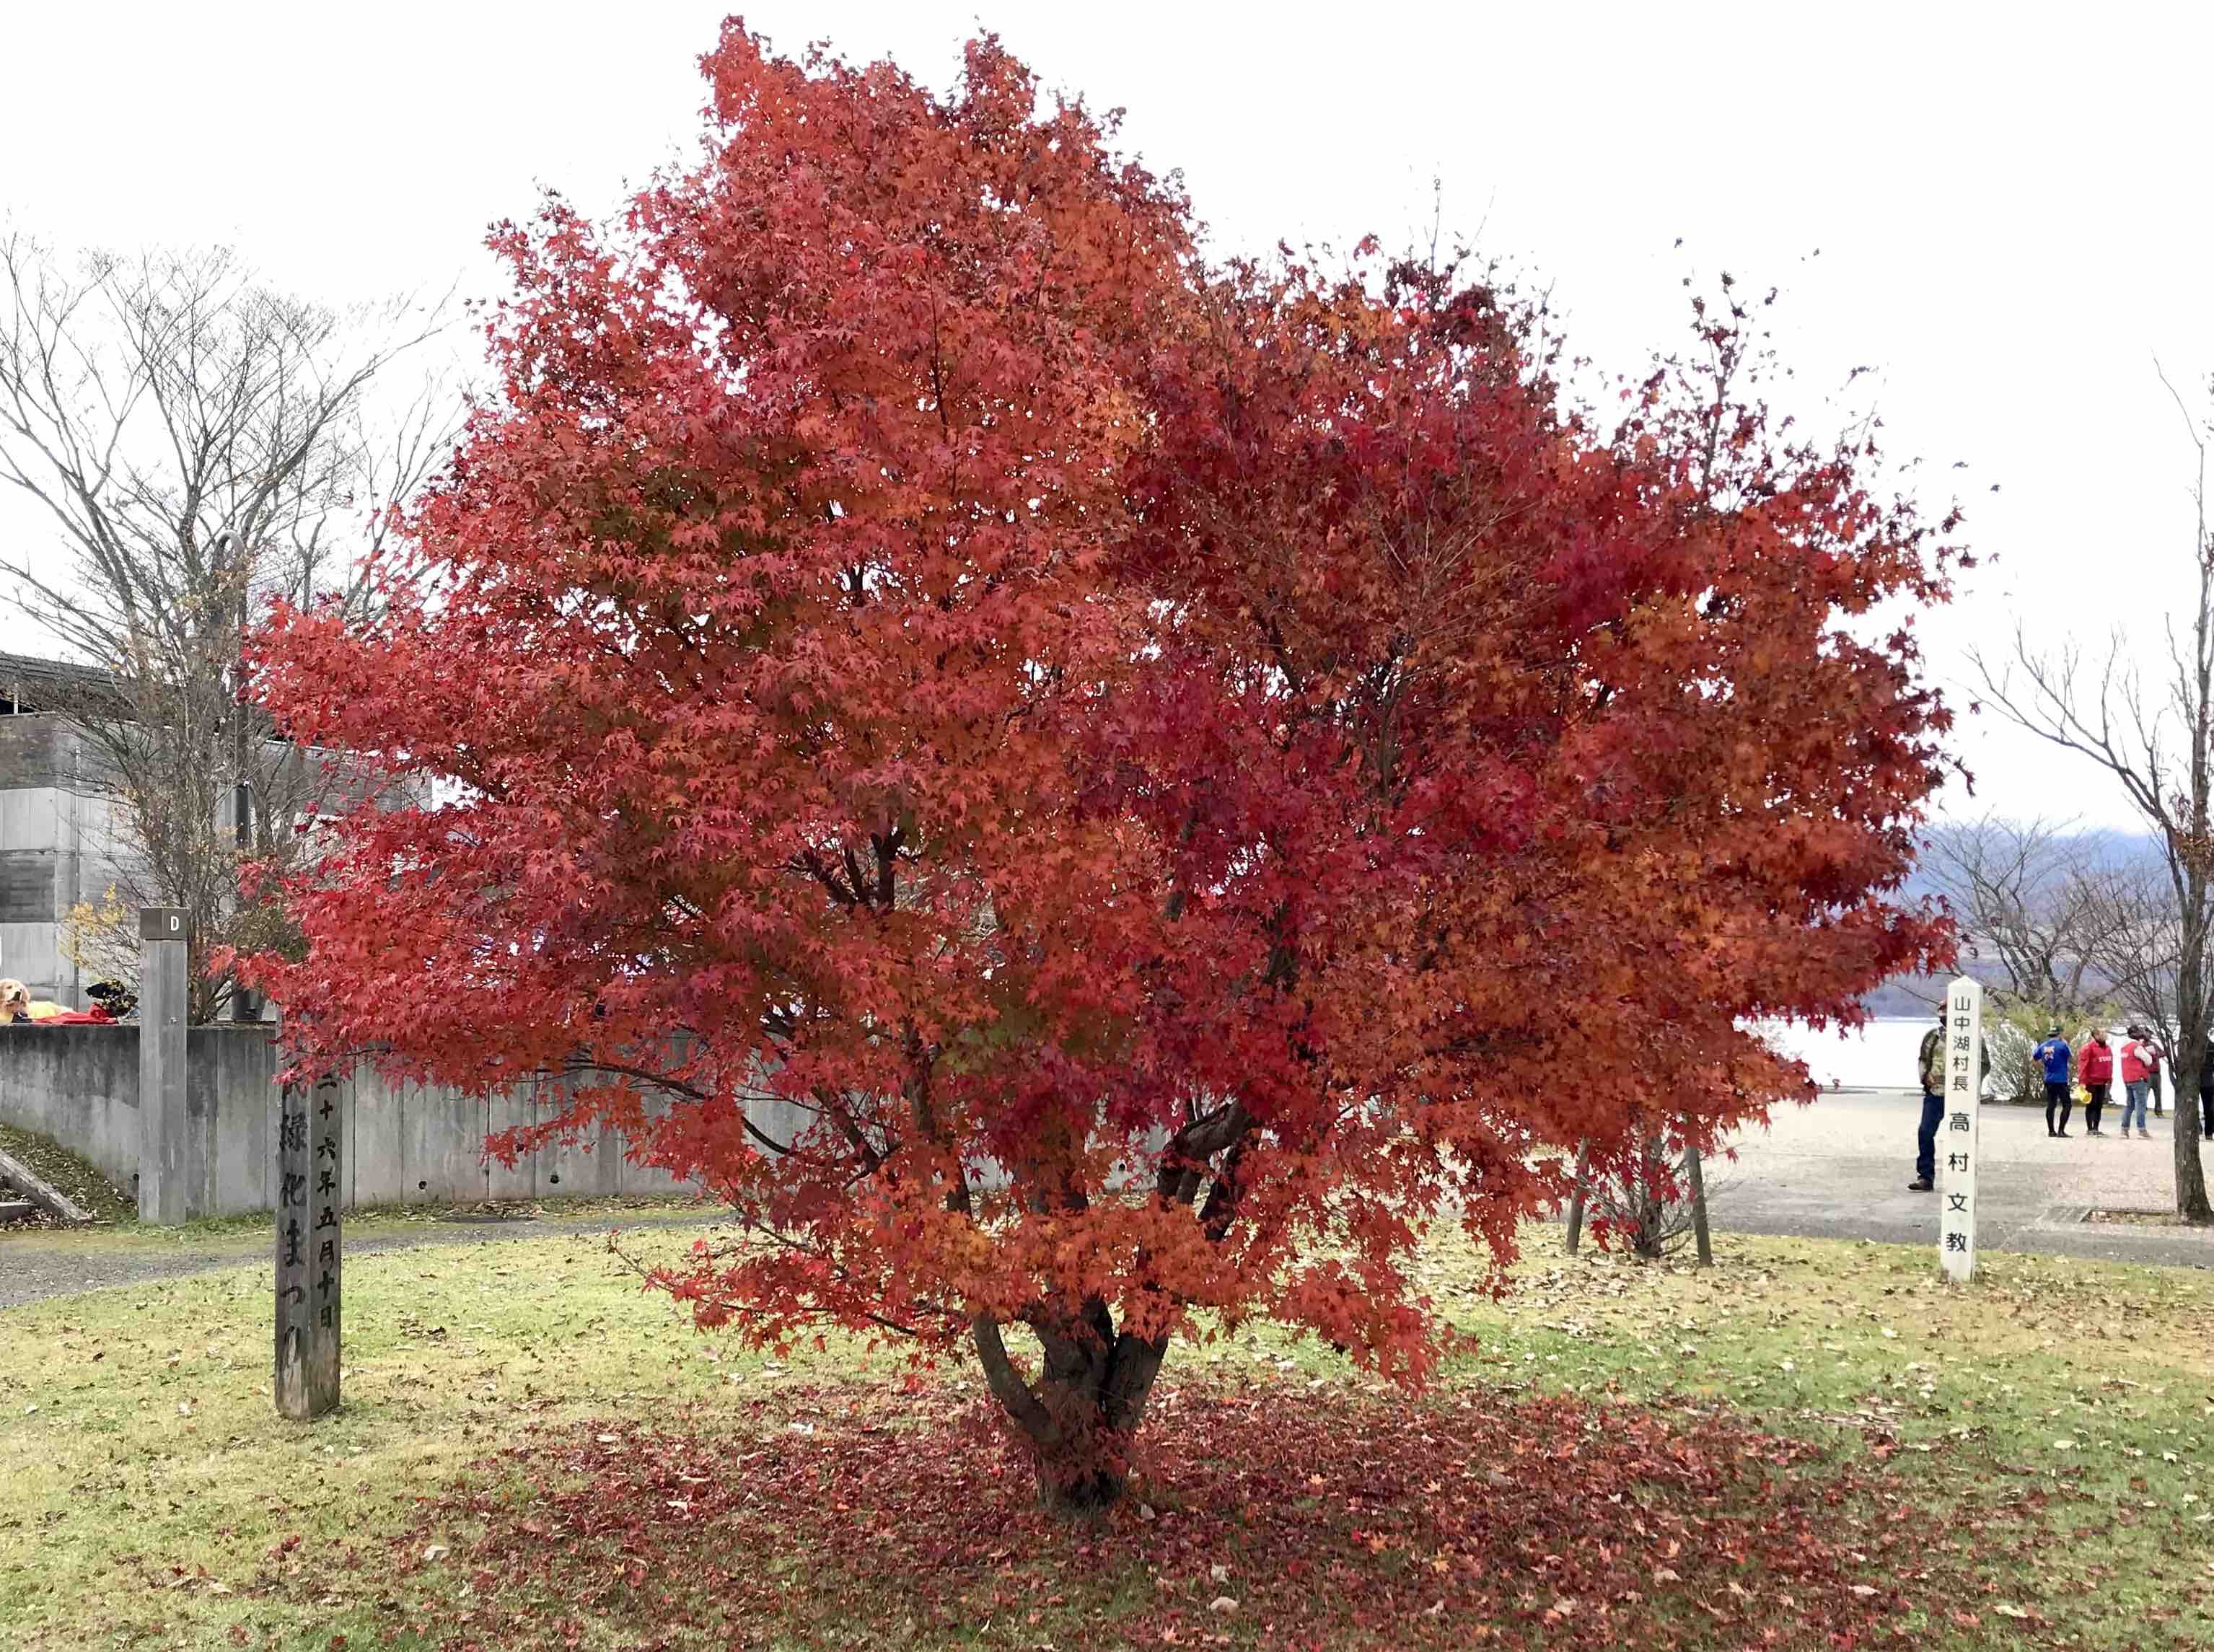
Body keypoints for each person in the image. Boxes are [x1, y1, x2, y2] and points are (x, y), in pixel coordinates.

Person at [1912, 1006, 1948, 1191]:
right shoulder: (1932, 1036)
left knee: (1960, 1137)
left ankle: (1962, 1178)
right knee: (1925, 1132)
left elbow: (1984, 1063)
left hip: (1962, 1096)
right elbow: (1923, 1060)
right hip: (1935, 1093)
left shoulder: (1973, 1037)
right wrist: (1925, 1076)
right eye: (1943, 1015)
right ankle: (1926, 1176)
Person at [2034, 1025, 2075, 1137]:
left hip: (2049, 1078)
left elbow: (2034, 1059)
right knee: (2067, 1105)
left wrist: (2043, 1068)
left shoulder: (2043, 1046)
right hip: (2061, 1079)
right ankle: (2061, 1130)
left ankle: (2051, 1130)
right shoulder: (2062, 1045)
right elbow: (2072, 1060)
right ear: (2060, 1034)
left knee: (2051, 1105)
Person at [2078, 1027, 2115, 1136]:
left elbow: (2109, 1065)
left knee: (2099, 1106)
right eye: (2103, 1033)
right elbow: (2083, 1066)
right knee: (2091, 1105)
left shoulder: (2108, 1048)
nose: (2105, 1035)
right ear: (2096, 1035)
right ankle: (2090, 1129)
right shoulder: (2088, 1048)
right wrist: (2082, 1082)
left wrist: (2110, 1078)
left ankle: (2096, 1128)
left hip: (2102, 1082)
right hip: (2091, 1082)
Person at [2119, 1027, 2154, 1138]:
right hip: (2138, 1078)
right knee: (2141, 1105)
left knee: (2129, 1105)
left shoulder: (2124, 1047)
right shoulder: (2137, 1047)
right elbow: (2149, 1060)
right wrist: (2147, 1051)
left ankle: (2124, 1130)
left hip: (2127, 1078)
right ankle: (2142, 1130)